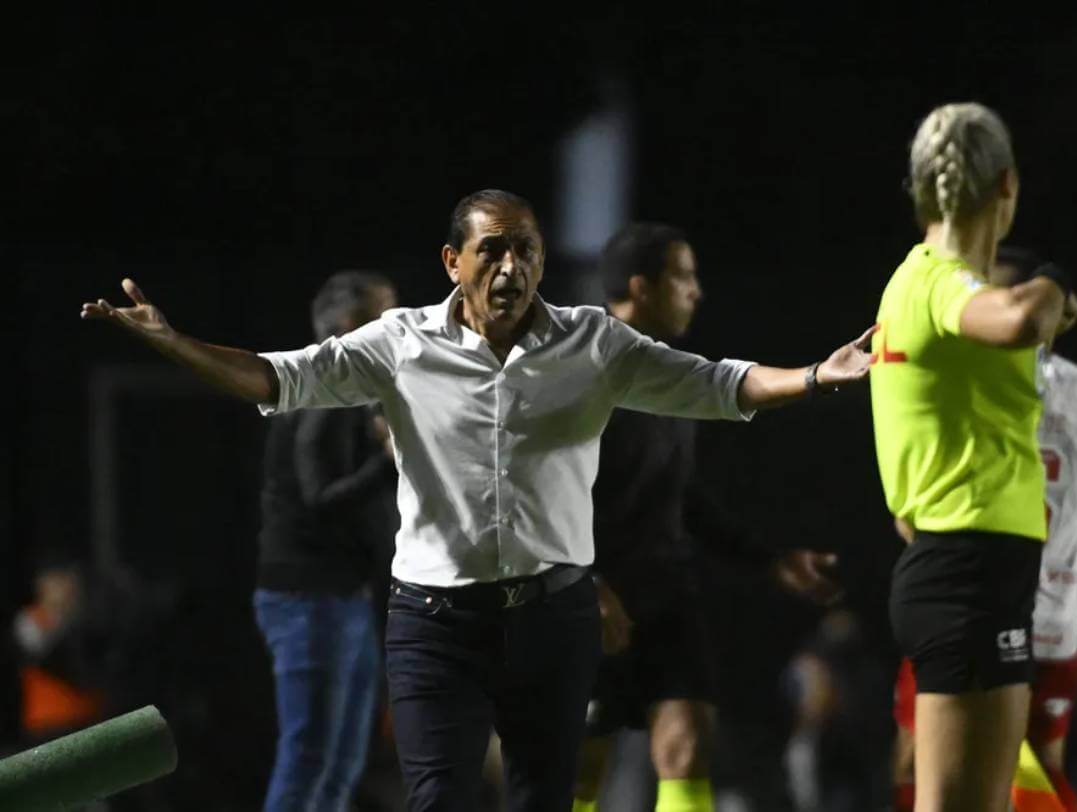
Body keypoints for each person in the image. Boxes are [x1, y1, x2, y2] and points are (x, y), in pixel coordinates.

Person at [81, 188, 875, 811]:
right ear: (453, 261)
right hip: (435, 622)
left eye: (525, 249)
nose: (511, 267)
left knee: (541, 800)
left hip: (552, 618)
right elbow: (276, 376)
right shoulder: (400, 342)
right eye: (491, 249)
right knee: (442, 800)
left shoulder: (592, 342)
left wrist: (812, 375)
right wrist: (176, 343)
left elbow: (718, 383)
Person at [891, 246, 1077, 812]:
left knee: (921, 762)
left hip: (971, 605)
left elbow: (908, 516)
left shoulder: (964, 384)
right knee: (1038, 767)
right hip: (1054, 626)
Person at [571, 223, 842, 812]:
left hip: (666, 591)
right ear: (641, 288)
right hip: (591, 599)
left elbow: (682, 496)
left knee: (687, 741)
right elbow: (539, 493)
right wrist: (580, 583)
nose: (697, 291)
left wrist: (767, 561)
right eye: (684, 276)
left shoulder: (672, 375)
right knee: (579, 768)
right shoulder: (576, 372)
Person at [869, 103, 1074, 812]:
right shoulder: (940, 282)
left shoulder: (924, 284)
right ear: (1006, 186)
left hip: (980, 572)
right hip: (965, 575)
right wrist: (1050, 284)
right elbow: (1017, 319)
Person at [253, 270, 399, 811]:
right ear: (347, 325)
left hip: (345, 596)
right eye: (384, 314)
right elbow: (319, 498)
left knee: (341, 764)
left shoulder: (355, 397)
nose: (397, 326)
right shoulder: (319, 393)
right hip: (307, 598)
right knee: (311, 758)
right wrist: (386, 464)